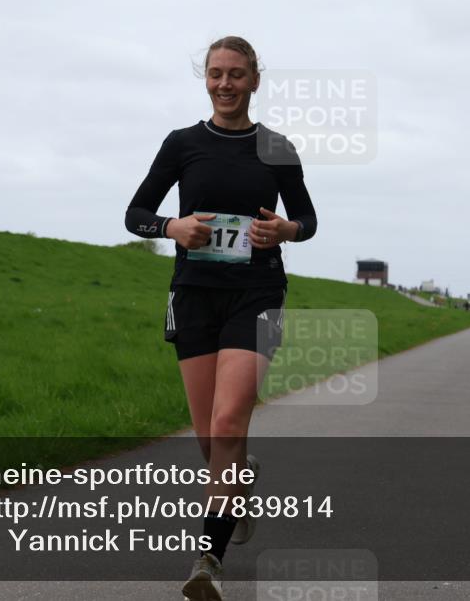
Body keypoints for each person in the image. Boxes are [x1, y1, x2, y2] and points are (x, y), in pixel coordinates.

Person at [125, 36, 317, 601]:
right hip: (195, 295)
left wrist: (284, 230)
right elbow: (135, 213)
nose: (225, 84)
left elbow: (306, 218)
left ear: (255, 80)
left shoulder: (277, 147)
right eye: (215, 74)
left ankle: (207, 559)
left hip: (257, 293)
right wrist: (171, 228)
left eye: (236, 74)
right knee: (211, 437)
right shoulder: (182, 143)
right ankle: (239, 484)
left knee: (230, 420)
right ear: (204, 79)